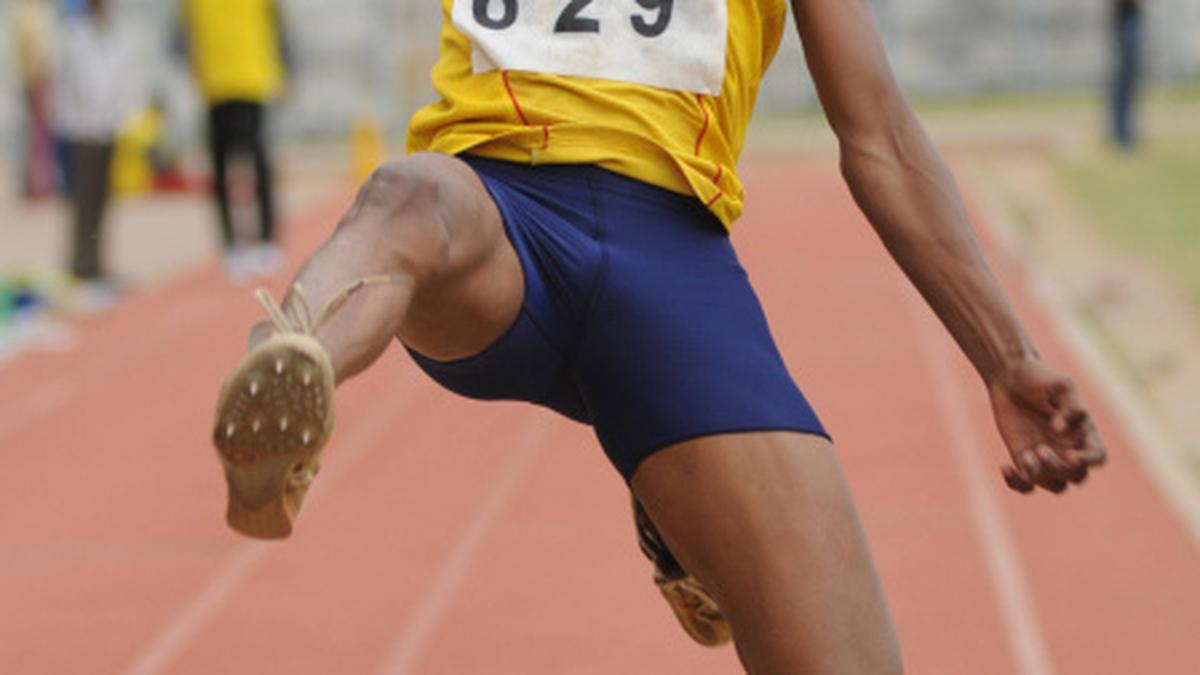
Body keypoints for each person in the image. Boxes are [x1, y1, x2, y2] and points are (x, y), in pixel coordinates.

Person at [212, 1, 1109, 671]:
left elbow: (877, 132)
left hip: (666, 264)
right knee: (403, 196)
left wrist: (1003, 354)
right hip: (494, 215)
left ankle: (685, 509)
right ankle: (290, 366)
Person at [178, 0, 290, 282]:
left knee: (258, 163)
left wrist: (286, 67)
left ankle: (266, 240)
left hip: (252, 78)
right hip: (214, 84)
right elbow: (185, 33)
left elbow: (278, 25)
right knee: (220, 168)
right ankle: (232, 246)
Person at [53, 0, 135, 308]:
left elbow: (117, 82)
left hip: (107, 129)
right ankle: (80, 267)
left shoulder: (113, 35)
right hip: (82, 131)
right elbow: (83, 85)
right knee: (84, 201)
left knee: (103, 199)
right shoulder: (75, 35)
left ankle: (97, 264)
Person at [9, 0, 56, 200]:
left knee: (36, 133)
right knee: (37, 133)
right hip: (35, 78)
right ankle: (38, 184)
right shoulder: (32, 14)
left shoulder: (29, 12)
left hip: (33, 78)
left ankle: (37, 183)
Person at [1111, 0, 1145, 149]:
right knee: (1124, 82)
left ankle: (1123, 132)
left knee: (1127, 82)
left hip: (1129, 19)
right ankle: (1122, 134)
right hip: (1126, 19)